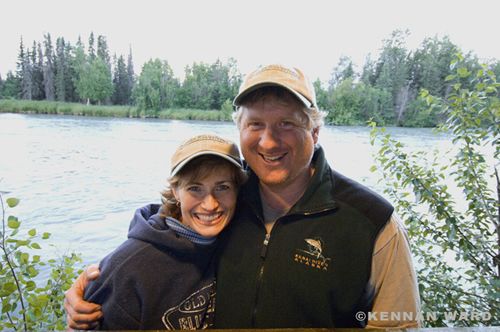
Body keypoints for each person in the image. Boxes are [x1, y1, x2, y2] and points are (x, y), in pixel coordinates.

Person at [65, 64, 421, 329]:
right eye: (255, 125)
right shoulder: (223, 203)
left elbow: (399, 324)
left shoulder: (371, 222)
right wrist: (94, 292)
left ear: (315, 131)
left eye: (286, 123)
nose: (268, 141)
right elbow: (159, 237)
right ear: (239, 129)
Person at [77, 134, 246, 330]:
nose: (210, 204)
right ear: (176, 191)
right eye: (195, 188)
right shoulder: (129, 267)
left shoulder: (238, 237)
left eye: (223, 187)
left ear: (238, 190)